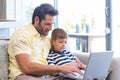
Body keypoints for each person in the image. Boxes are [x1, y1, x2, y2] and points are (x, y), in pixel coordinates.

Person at [8, 3, 85, 80]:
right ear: (36, 20)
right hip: (24, 76)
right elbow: (27, 68)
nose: (51, 28)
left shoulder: (47, 37)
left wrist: (77, 63)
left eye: (52, 24)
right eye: (48, 24)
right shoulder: (22, 35)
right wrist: (60, 68)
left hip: (46, 76)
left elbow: (63, 51)